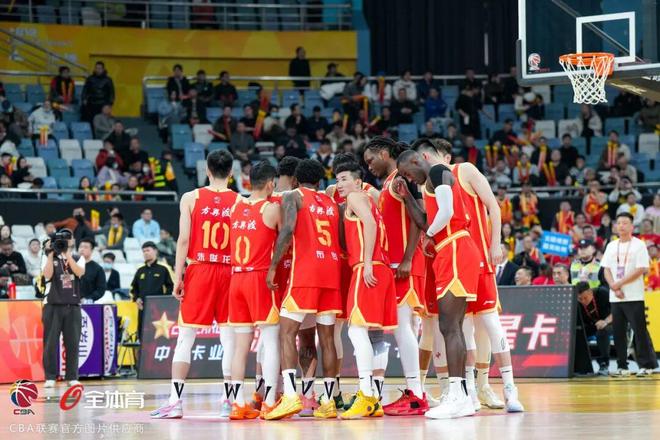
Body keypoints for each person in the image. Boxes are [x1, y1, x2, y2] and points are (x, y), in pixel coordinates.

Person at [395, 140, 482, 419]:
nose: (409, 178)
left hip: (455, 248)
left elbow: (446, 213)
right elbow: (425, 220)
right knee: (452, 326)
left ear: (418, 159)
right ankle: (463, 397)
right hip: (449, 250)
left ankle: (457, 397)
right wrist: (407, 198)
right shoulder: (427, 184)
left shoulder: (437, 171)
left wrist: (429, 236)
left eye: (407, 173)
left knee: (449, 326)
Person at [150, 150, 239, 419]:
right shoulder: (240, 201)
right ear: (231, 173)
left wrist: (178, 277)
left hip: (199, 269)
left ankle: (175, 402)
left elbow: (183, 241)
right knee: (229, 339)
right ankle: (228, 401)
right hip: (229, 271)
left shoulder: (191, 198)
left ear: (207, 171)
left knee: (186, 337)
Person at [263, 159, 342, 420]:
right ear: (320, 181)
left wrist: (273, 266)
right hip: (331, 272)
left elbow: (287, 231)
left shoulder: (293, 196)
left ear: (296, 179)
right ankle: (328, 402)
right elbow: (341, 239)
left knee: (287, 334)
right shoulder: (331, 202)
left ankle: (290, 397)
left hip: (305, 273)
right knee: (327, 339)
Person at [362, 138, 427, 414]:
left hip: (404, 263)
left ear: (384, 153)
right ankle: (416, 391)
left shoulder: (400, 179)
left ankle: (416, 394)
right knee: (405, 327)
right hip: (397, 263)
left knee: (403, 327)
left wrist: (408, 258)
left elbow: (418, 219)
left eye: (370, 160)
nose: (369, 166)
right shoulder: (390, 183)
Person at [330, 160, 398, 419]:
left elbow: (369, 224)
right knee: (373, 334)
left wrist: (367, 262)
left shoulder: (356, 198)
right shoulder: (370, 199)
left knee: (356, 331)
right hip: (381, 268)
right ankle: (373, 398)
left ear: (358, 182)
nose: (339, 184)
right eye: (337, 179)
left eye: (344, 178)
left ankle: (366, 394)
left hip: (367, 267)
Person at [227, 161, 282, 420]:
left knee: (240, 346)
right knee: (270, 341)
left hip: (236, 278)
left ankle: (238, 403)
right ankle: (269, 401)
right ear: (271, 184)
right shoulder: (271, 209)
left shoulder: (235, 206)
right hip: (259, 278)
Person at [601, 212, 657, 377]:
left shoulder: (639, 245)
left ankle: (646, 365)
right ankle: (622, 366)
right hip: (615, 296)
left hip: (633, 296)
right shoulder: (611, 245)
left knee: (639, 331)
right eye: (619, 223)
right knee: (618, 333)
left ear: (632, 226)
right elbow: (606, 269)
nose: (621, 226)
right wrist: (613, 286)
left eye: (625, 223)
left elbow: (640, 269)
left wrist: (619, 284)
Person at [41, 229, 85, 388]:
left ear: (72, 240)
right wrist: (50, 254)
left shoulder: (78, 258)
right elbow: (47, 275)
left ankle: (72, 377)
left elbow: (79, 272)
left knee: (72, 343)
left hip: (72, 306)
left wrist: (67, 255)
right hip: (52, 306)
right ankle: (50, 377)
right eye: (62, 238)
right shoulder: (48, 257)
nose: (65, 240)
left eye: (67, 238)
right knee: (50, 343)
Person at [131, 241, 173, 335]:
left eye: (148, 250)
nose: (145, 253)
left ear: (155, 251)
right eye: (144, 251)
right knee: (142, 333)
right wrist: (136, 298)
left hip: (158, 309)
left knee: (157, 334)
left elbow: (171, 287)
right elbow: (133, 288)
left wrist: (163, 301)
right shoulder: (140, 271)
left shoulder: (163, 269)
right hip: (143, 308)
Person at [575, 282, 612, 376]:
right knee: (577, 333)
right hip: (593, 325)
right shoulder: (577, 302)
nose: (583, 301)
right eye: (580, 299)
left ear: (590, 292)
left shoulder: (602, 293)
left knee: (601, 331)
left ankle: (604, 363)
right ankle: (580, 365)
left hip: (610, 322)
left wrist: (605, 321)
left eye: (585, 298)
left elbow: (617, 310)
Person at [78, 238, 106, 303]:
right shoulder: (72, 265)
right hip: (70, 302)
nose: (82, 249)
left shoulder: (98, 269)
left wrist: (87, 298)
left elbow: (100, 290)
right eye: (80, 247)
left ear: (92, 250)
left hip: (87, 303)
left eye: (85, 247)